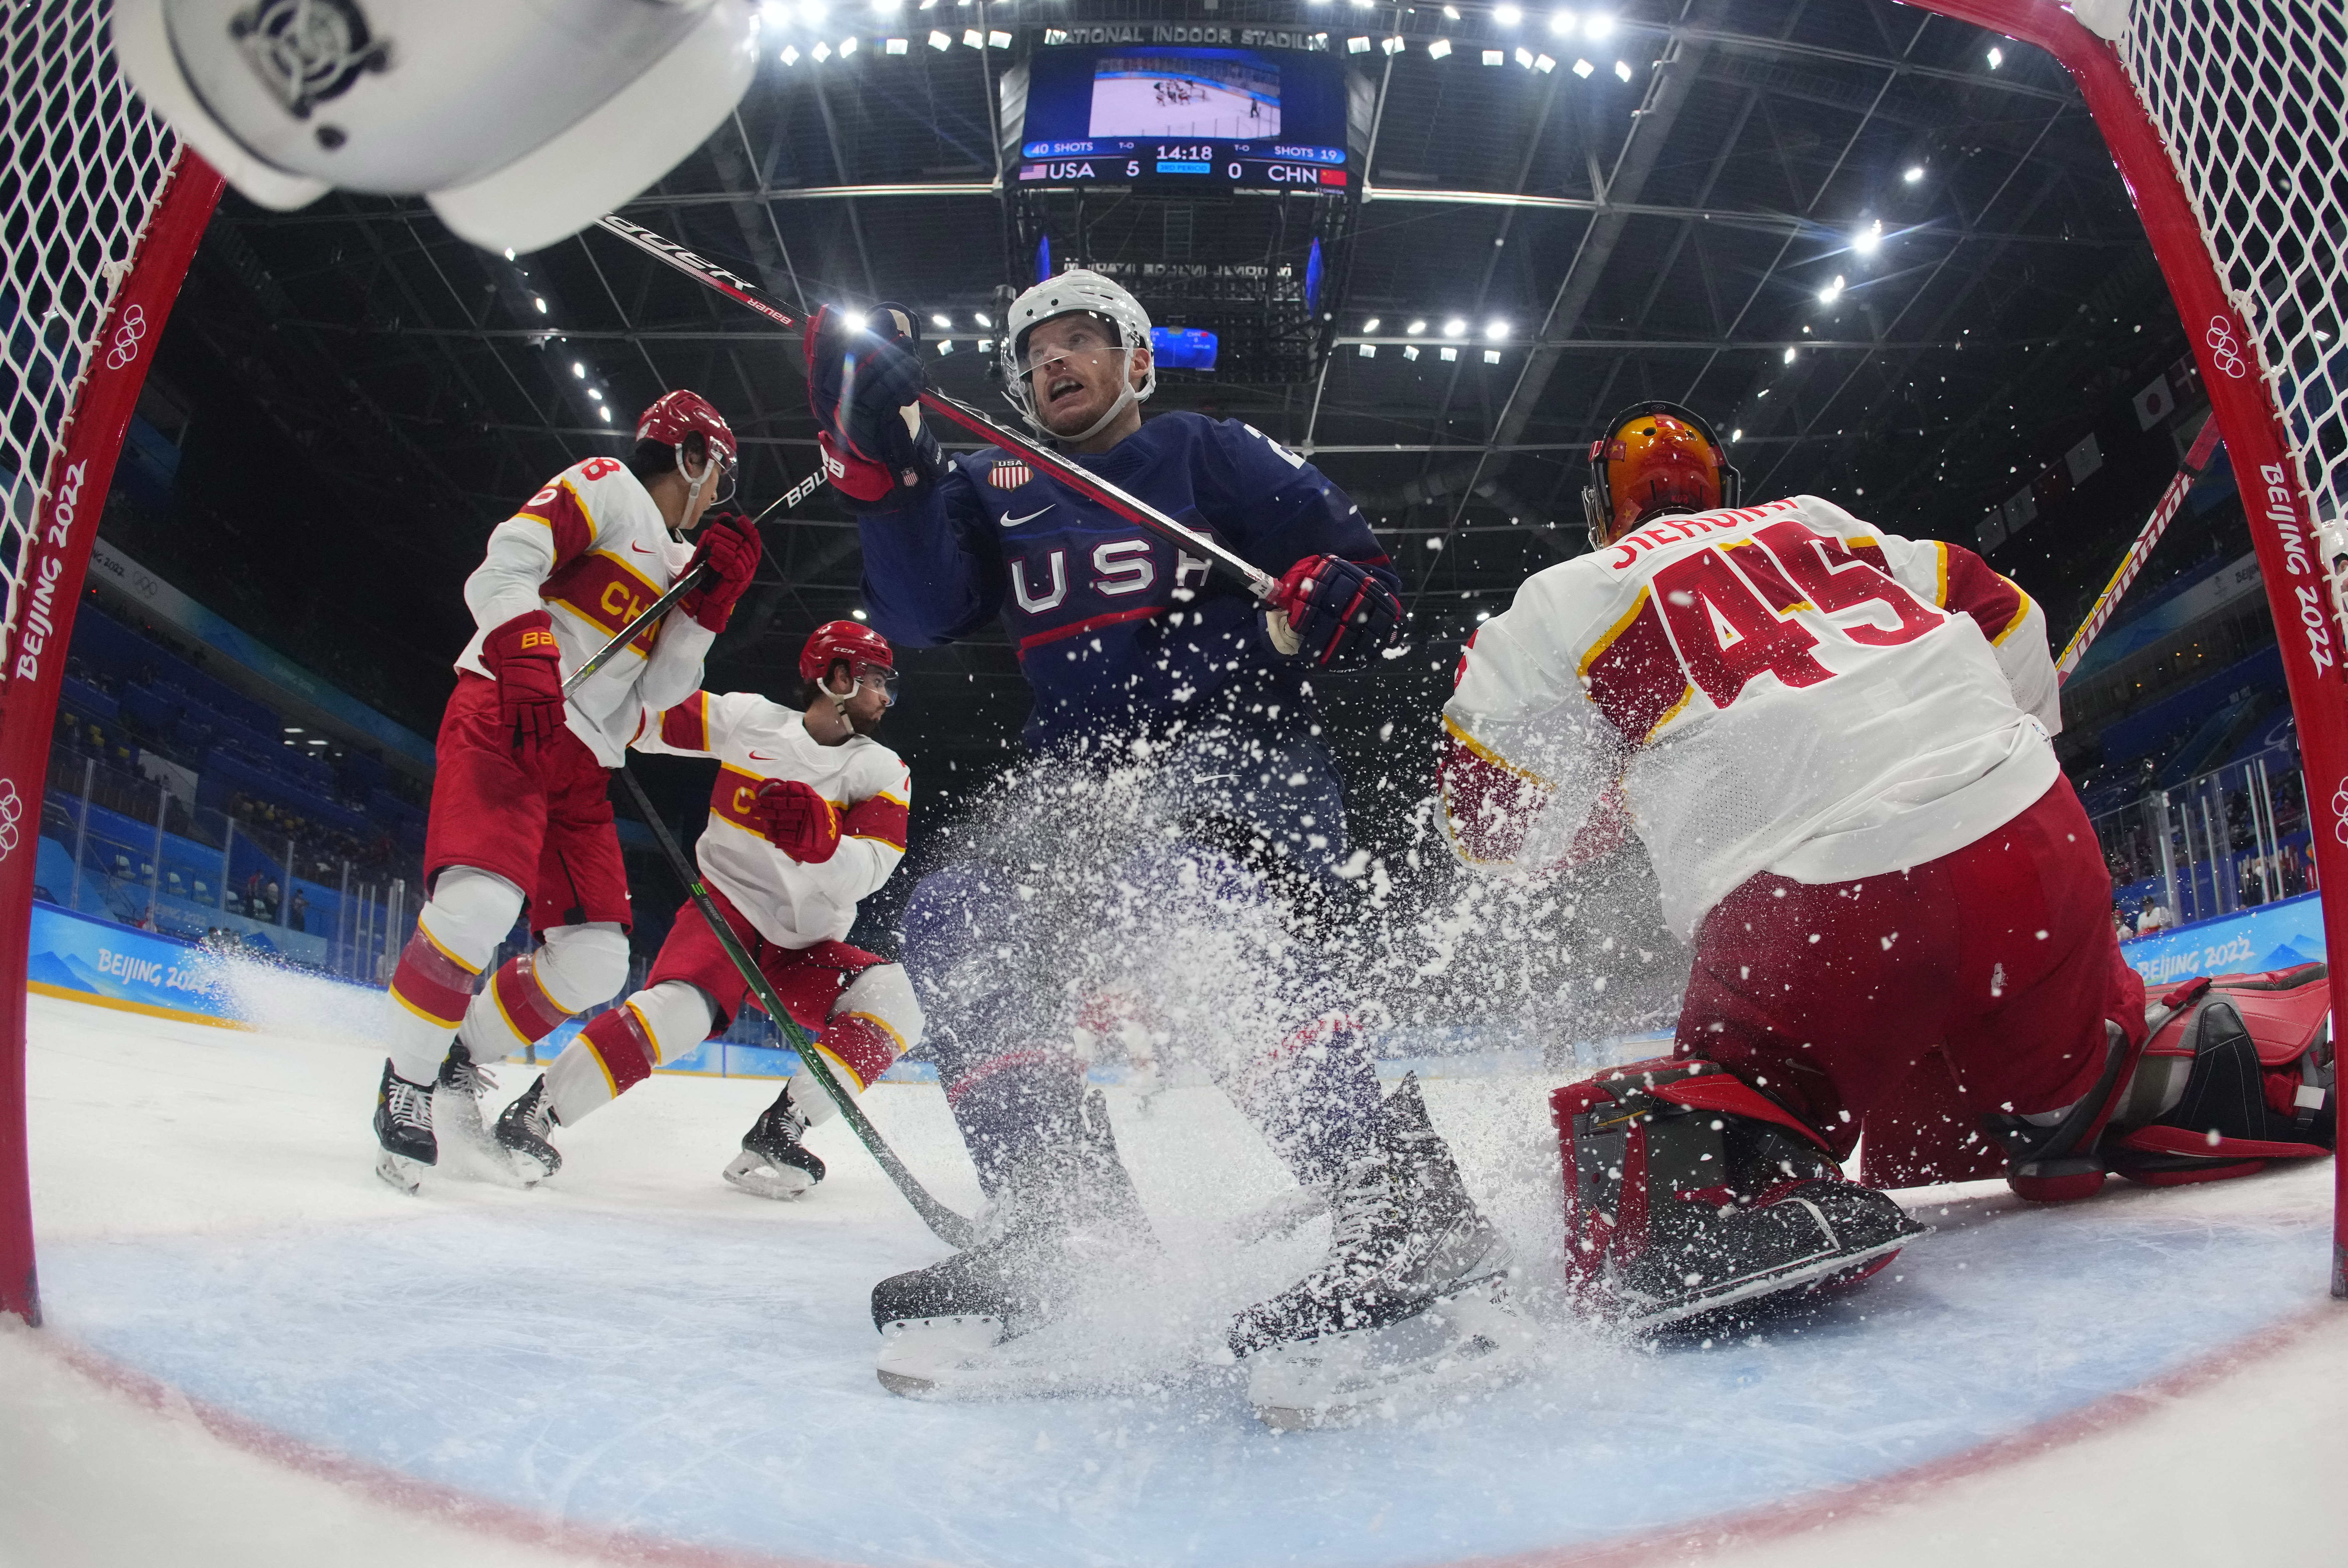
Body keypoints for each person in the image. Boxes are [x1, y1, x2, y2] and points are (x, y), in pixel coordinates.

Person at [1441, 401, 2328, 1331]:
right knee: (2072, 1071)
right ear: (1723, 485)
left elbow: (1491, 825)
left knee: (1750, 1092)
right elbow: (2011, 617)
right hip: (2033, 849)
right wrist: (1984, 761)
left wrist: (1615, 803)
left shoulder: (1557, 598)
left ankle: (1735, 1171)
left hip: (1815, 916)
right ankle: (2136, 1081)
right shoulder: (1823, 522)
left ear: (1603, 507)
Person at [816, 271, 1508, 1395]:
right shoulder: (997, 478)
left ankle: (1405, 1202)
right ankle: (1066, 1224)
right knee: (956, 915)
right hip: (1082, 793)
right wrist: (880, 471)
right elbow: (917, 612)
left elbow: (1370, 593)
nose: (1054, 362)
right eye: (1034, 351)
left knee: (1170, 887)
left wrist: (1333, 596)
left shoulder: (1207, 451)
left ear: (1135, 363)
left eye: (1081, 340)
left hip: (1241, 776)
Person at [370, 391, 760, 1193]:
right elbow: (506, 563)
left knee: (594, 962)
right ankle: (404, 1082)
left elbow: (663, 689)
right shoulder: (607, 481)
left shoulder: (683, 563)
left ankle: (456, 1061)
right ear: (690, 455)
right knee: (480, 905)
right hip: (509, 712)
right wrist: (523, 645)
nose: (718, 494)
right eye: (717, 474)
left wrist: (709, 606)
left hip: (583, 763)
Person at [491, 623, 923, 1195]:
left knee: (896, 1002)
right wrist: (575, 692)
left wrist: (822, 842)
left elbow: (870, 871)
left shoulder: (886, 772)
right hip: (728, 915)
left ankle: (784, 1125)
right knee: (680, 1014)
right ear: (837, 678)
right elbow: (647, 719)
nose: (884, 697)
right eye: (873, 681)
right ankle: (536, 1111)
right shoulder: (751, 720)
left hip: (804, 944)